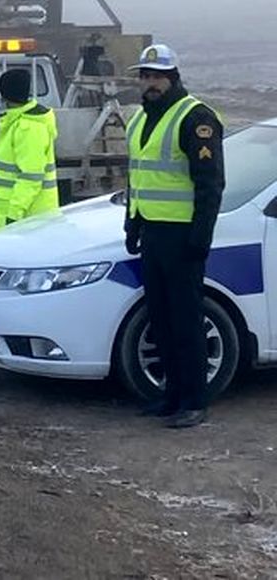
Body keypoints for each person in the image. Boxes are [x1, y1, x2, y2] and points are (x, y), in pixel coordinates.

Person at [124, 44, 224, 429]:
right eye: (144, 76)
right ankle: (170, 395)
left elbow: (210, 184)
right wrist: (132, 224)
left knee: (186, 320)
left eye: (156, 76)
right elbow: (139, 177)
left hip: (183, 237)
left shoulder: (195, 117)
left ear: (173, 78)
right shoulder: (140, 119)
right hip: (152, 231)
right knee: (161, 318)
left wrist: (201, 237)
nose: (149, 83)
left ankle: (194, 400)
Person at [0, 68, 59, 233]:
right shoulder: (17, 122)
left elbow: (31, 176)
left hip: (26, 221)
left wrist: (13, 215)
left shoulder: (28, 127)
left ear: (4, 94)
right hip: (16, 219)